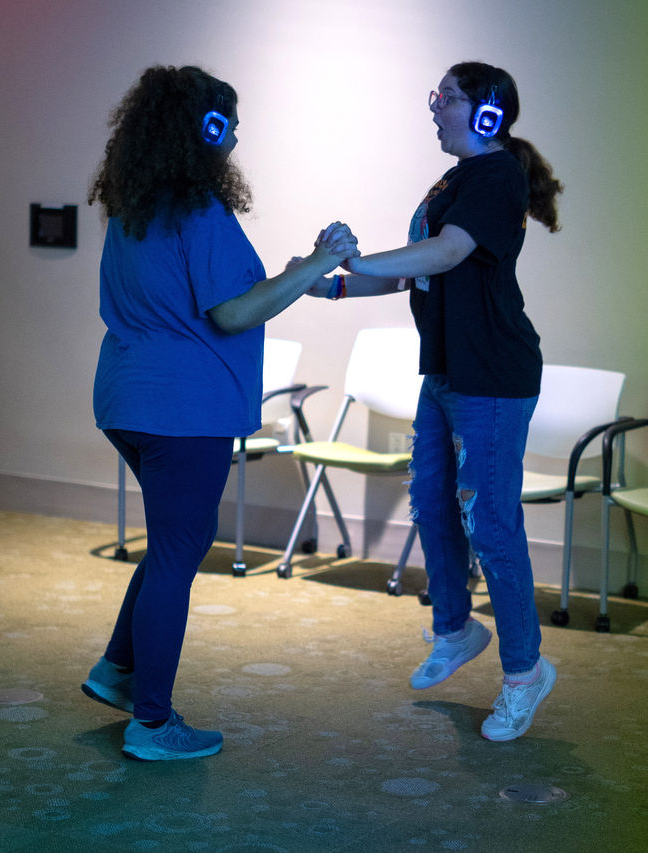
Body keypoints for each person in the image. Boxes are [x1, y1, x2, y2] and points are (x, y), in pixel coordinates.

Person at [82, 65, 357, 760]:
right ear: (203, 128)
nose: (236, 132)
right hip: (183, 408)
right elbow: (232, 311)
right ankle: (152, 722)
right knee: (179, 548)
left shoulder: (136, 205)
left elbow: (223, 292)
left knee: (177, 537)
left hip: (128, 397)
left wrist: (296, 275)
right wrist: (319, 260)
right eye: (227, 120)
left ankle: (117, 669)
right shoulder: (199, 208)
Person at [304, 61, 563, 741]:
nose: (433, 108)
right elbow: (415, 274)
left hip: (493, 377)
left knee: (493, 524)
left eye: (444, 98)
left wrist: (355, 261)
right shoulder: (450, 181)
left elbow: (446, 254)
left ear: (486, 114)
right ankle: (455, 626)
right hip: (446, 371)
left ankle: (525, 671)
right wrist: (328, 285)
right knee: (430, 499)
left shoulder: (497, 175)